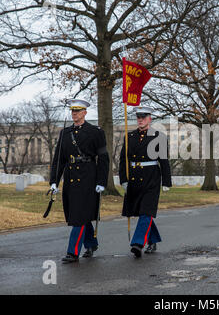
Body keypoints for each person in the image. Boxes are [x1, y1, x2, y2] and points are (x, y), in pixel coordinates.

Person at [49, 99, 109, 263]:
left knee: (80, 216)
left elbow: (103, 158)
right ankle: (90, 244)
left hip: (88, 177)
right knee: (78, 214)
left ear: (84, 113)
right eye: (72, 111)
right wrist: (54, 181)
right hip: (71, 178)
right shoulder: (65, 133)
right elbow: (59, 159)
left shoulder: (96, 132)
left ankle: (72, 252)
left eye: (77, 111)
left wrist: (102, 181)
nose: (74, 113)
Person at [119, 106, 172, 257]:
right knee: (141, 212)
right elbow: (123, 160)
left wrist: (166, 182)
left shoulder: (159, 136)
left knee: (146, 211)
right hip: (134, 179)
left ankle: (137, 243)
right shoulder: (129, 137)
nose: (140, 120)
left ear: (150, 118)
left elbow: (164, 161)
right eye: (138, 117)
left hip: (151, 178)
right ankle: (153, 239)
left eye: (143, 117)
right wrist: (124, 179)